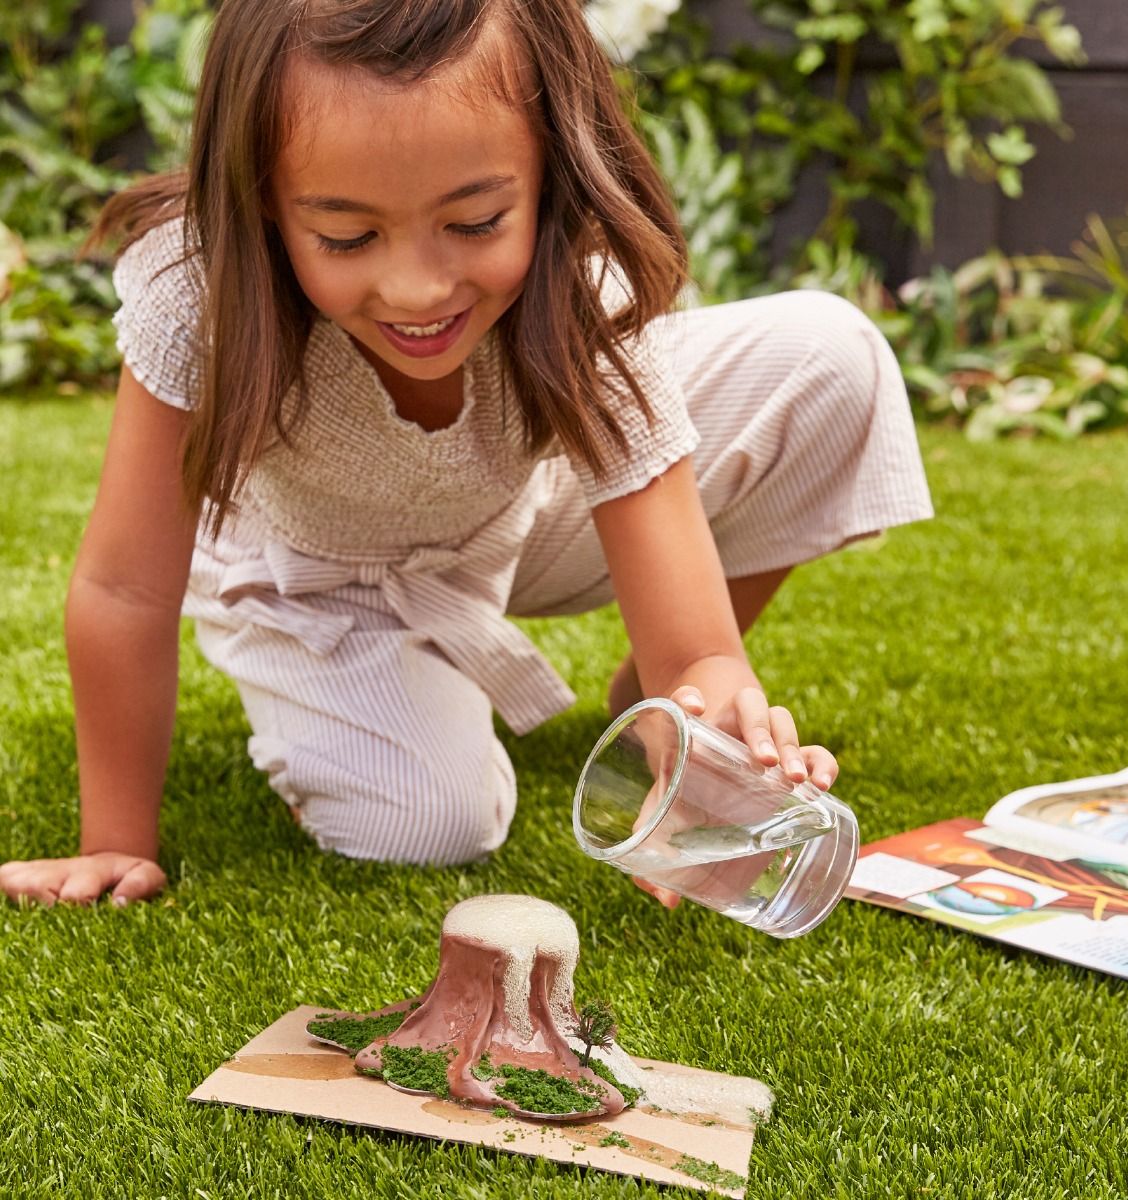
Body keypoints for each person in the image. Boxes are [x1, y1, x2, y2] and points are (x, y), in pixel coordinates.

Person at [0, 0, 932, 909]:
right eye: (347, 236)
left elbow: (702, 652)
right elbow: (126, 589)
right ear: (263, 205)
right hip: (321, 573)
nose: (417, 287)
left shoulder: (579, 287)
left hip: (518, 511)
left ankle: (645, 712)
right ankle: (318, 704)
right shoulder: (198, 295)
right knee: (434, 823)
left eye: (476, 222)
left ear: (552, 169)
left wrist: (707, 727)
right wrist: (115, 841)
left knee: (830, 357)